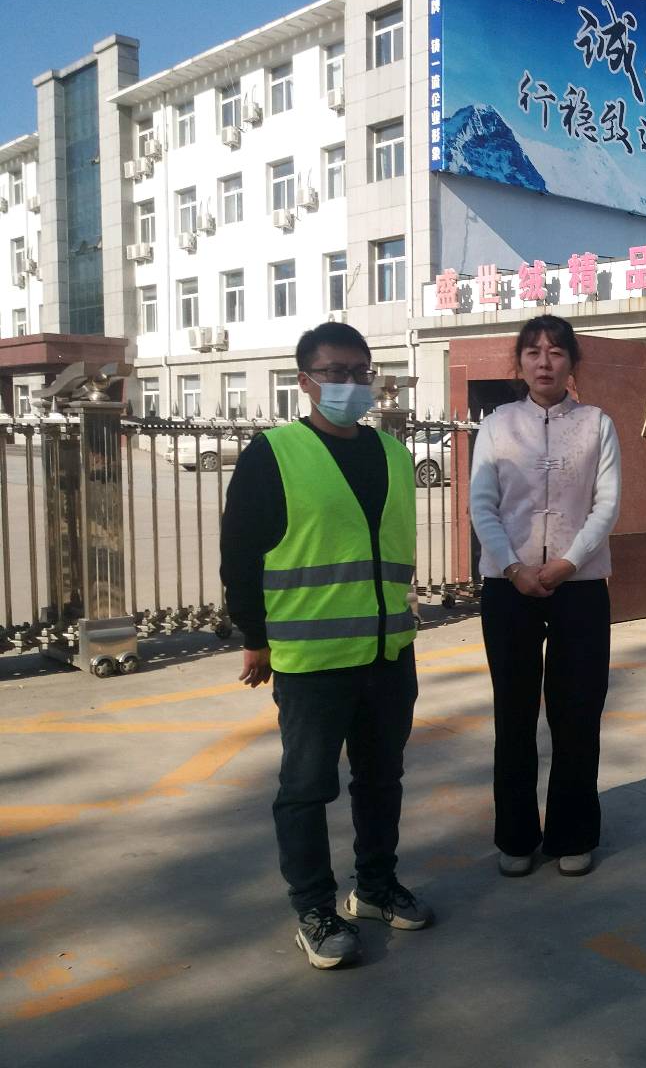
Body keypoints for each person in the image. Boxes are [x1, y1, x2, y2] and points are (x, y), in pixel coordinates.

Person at [220, 321, 433, 970]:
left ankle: (374, 887)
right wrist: (254, 635)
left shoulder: (393, 453)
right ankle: (313, 909)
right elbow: (240, 555)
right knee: (306, 789)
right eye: (335, 372)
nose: (350, 384)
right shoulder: (274, 453)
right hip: (312, 660)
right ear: (305, 381)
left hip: (388, 653)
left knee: (382, 779)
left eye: (360, 372)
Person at [469, 315, 621, 878]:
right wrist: (513, 567)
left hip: (580, 589)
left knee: (577, 713)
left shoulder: (597, 425)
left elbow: (607, 504)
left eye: (556, 352)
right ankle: (515, 835)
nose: (544, 362)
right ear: (519, 363)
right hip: (509, 589)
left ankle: (572, 833)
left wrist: (567, 563)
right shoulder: (497, 426)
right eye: (533, 352)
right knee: (513, 713)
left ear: (572, 363)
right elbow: (482, 505)